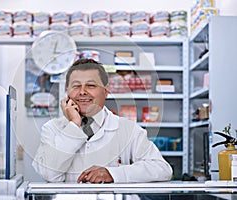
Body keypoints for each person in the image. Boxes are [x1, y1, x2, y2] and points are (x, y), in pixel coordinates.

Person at [32, 58, 173, 183]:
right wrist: (74, 125)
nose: (82, 92)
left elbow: (162, 169)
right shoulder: (51, 129)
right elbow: (49, 174)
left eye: (91, 85)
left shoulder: (128, 129)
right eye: (76, 86)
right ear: (67, 91)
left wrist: (113, 173)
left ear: (105, 91)